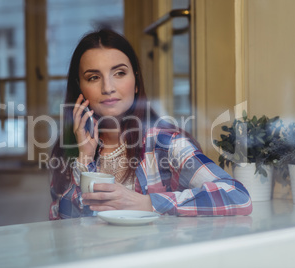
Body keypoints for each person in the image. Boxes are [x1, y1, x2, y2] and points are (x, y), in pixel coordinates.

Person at [49, 29, 252, 220]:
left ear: (136, 82)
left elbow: (238, 197)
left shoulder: (164, 142)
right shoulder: (69, 149)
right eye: (93, 77)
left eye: (119, 73)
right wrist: (84, 159)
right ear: (80, 88)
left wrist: (146, 203)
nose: (108, 87)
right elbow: (63, 223)